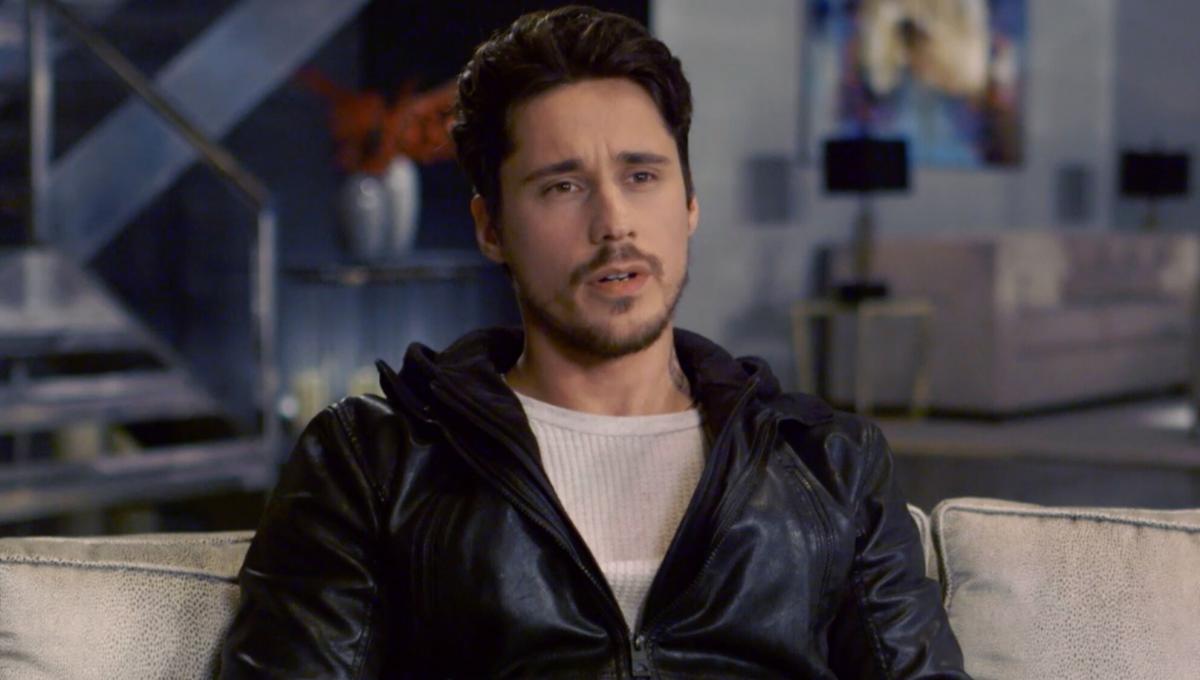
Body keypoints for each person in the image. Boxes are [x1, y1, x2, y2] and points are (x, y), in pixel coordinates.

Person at [220, 6, 969, 678]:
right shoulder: (374, 463)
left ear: (689, 202)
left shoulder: (827, 464)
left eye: (641, 175)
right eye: (563, 186)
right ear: (491, 227)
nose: (614, 223)